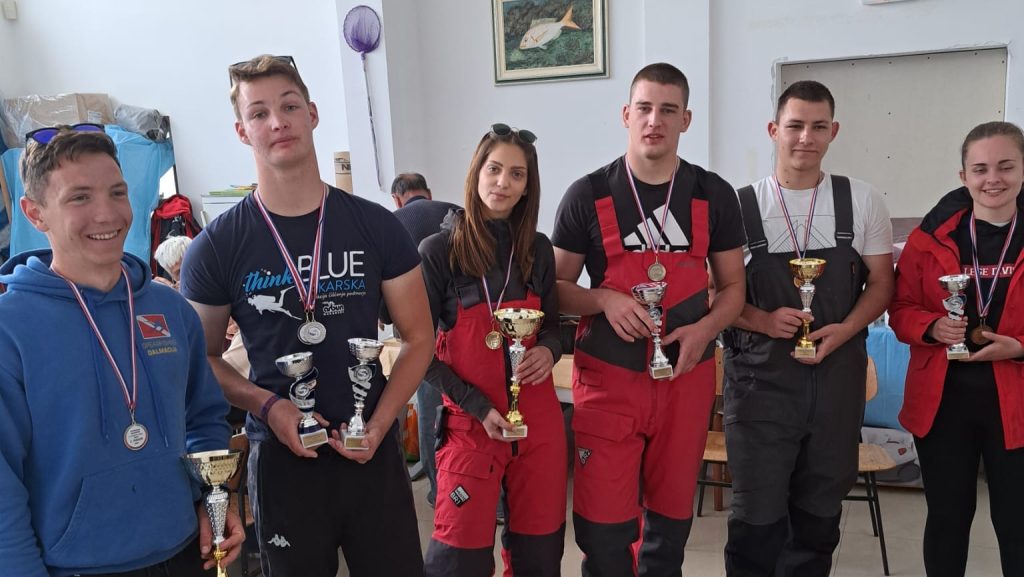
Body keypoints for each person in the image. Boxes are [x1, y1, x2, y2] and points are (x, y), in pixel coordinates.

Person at [180, 55, 433, 577]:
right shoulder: (217, 246)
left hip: (371, 449)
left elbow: (419, 337)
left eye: (290, 106)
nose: (278, 122)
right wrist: (269, 405)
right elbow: (201, 358)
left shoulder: (376, 226)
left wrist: (380, 423)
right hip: (282, 460)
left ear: (312, 114)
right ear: (242, 131)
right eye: (259, 113)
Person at [0, 126, 241, 576]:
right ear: (35, 214)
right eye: (80, 197)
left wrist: (214, 497)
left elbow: (204, 417)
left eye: (117, 192)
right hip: (75, 566)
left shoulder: (170, 309)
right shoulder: (10, 328)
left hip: (184, 552)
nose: (107, 213)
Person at [552, 63, 747, 575]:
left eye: (667, 110)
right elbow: (554, 289)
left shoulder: (713, 194)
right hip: (608, 383)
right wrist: (604, 300)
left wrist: (706, 330)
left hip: (685, 381)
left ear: (686, 119)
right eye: (644, 108)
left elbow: (733, 288)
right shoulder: (587, 194)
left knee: (668, 531)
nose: (654, 120)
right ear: (626, 114)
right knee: (604, 533)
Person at [721, 80, 894, 576]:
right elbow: (715, 294)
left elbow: (882, 283)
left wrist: (845, 329)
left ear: (833, 131)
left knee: (818, 520)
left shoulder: (862, 201)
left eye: (818, 127)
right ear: (773, 129)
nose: (805, 137)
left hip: (836, 386)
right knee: (756, 522)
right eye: (794, 125)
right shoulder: (738, 207)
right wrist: (761, 319)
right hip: (759, 389)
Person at [420, 123, 565, 576]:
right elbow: (419, 353)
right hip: (471, 425)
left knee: (540, 557)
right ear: (476, 172)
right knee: (458, 561)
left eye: (517, 174)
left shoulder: (538, 250)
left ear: (527, 187)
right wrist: (478, 407)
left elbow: (555, 327)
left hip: (537, 426)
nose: (503, 182)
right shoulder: (438, 251)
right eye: (494, 169)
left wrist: (550, 351)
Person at [889, 121, 1024, 577]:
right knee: (947, 521)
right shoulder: (930, 237)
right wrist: (931, 327)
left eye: (1006, 166)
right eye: (980, 169)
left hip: (1017, 405)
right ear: (963, 175)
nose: (993, 179)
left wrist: (1019, 347)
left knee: (1018, 525)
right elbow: (900, 307)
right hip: (944, 404)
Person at [389, 171, 459, 507]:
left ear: (396, 199)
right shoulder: (458, 212)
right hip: (467, 326)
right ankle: (494, 499)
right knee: (469, 407)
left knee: (432, 410)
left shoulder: (391, 223)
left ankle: (439, 491)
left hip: (423, 333)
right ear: (428, 193)